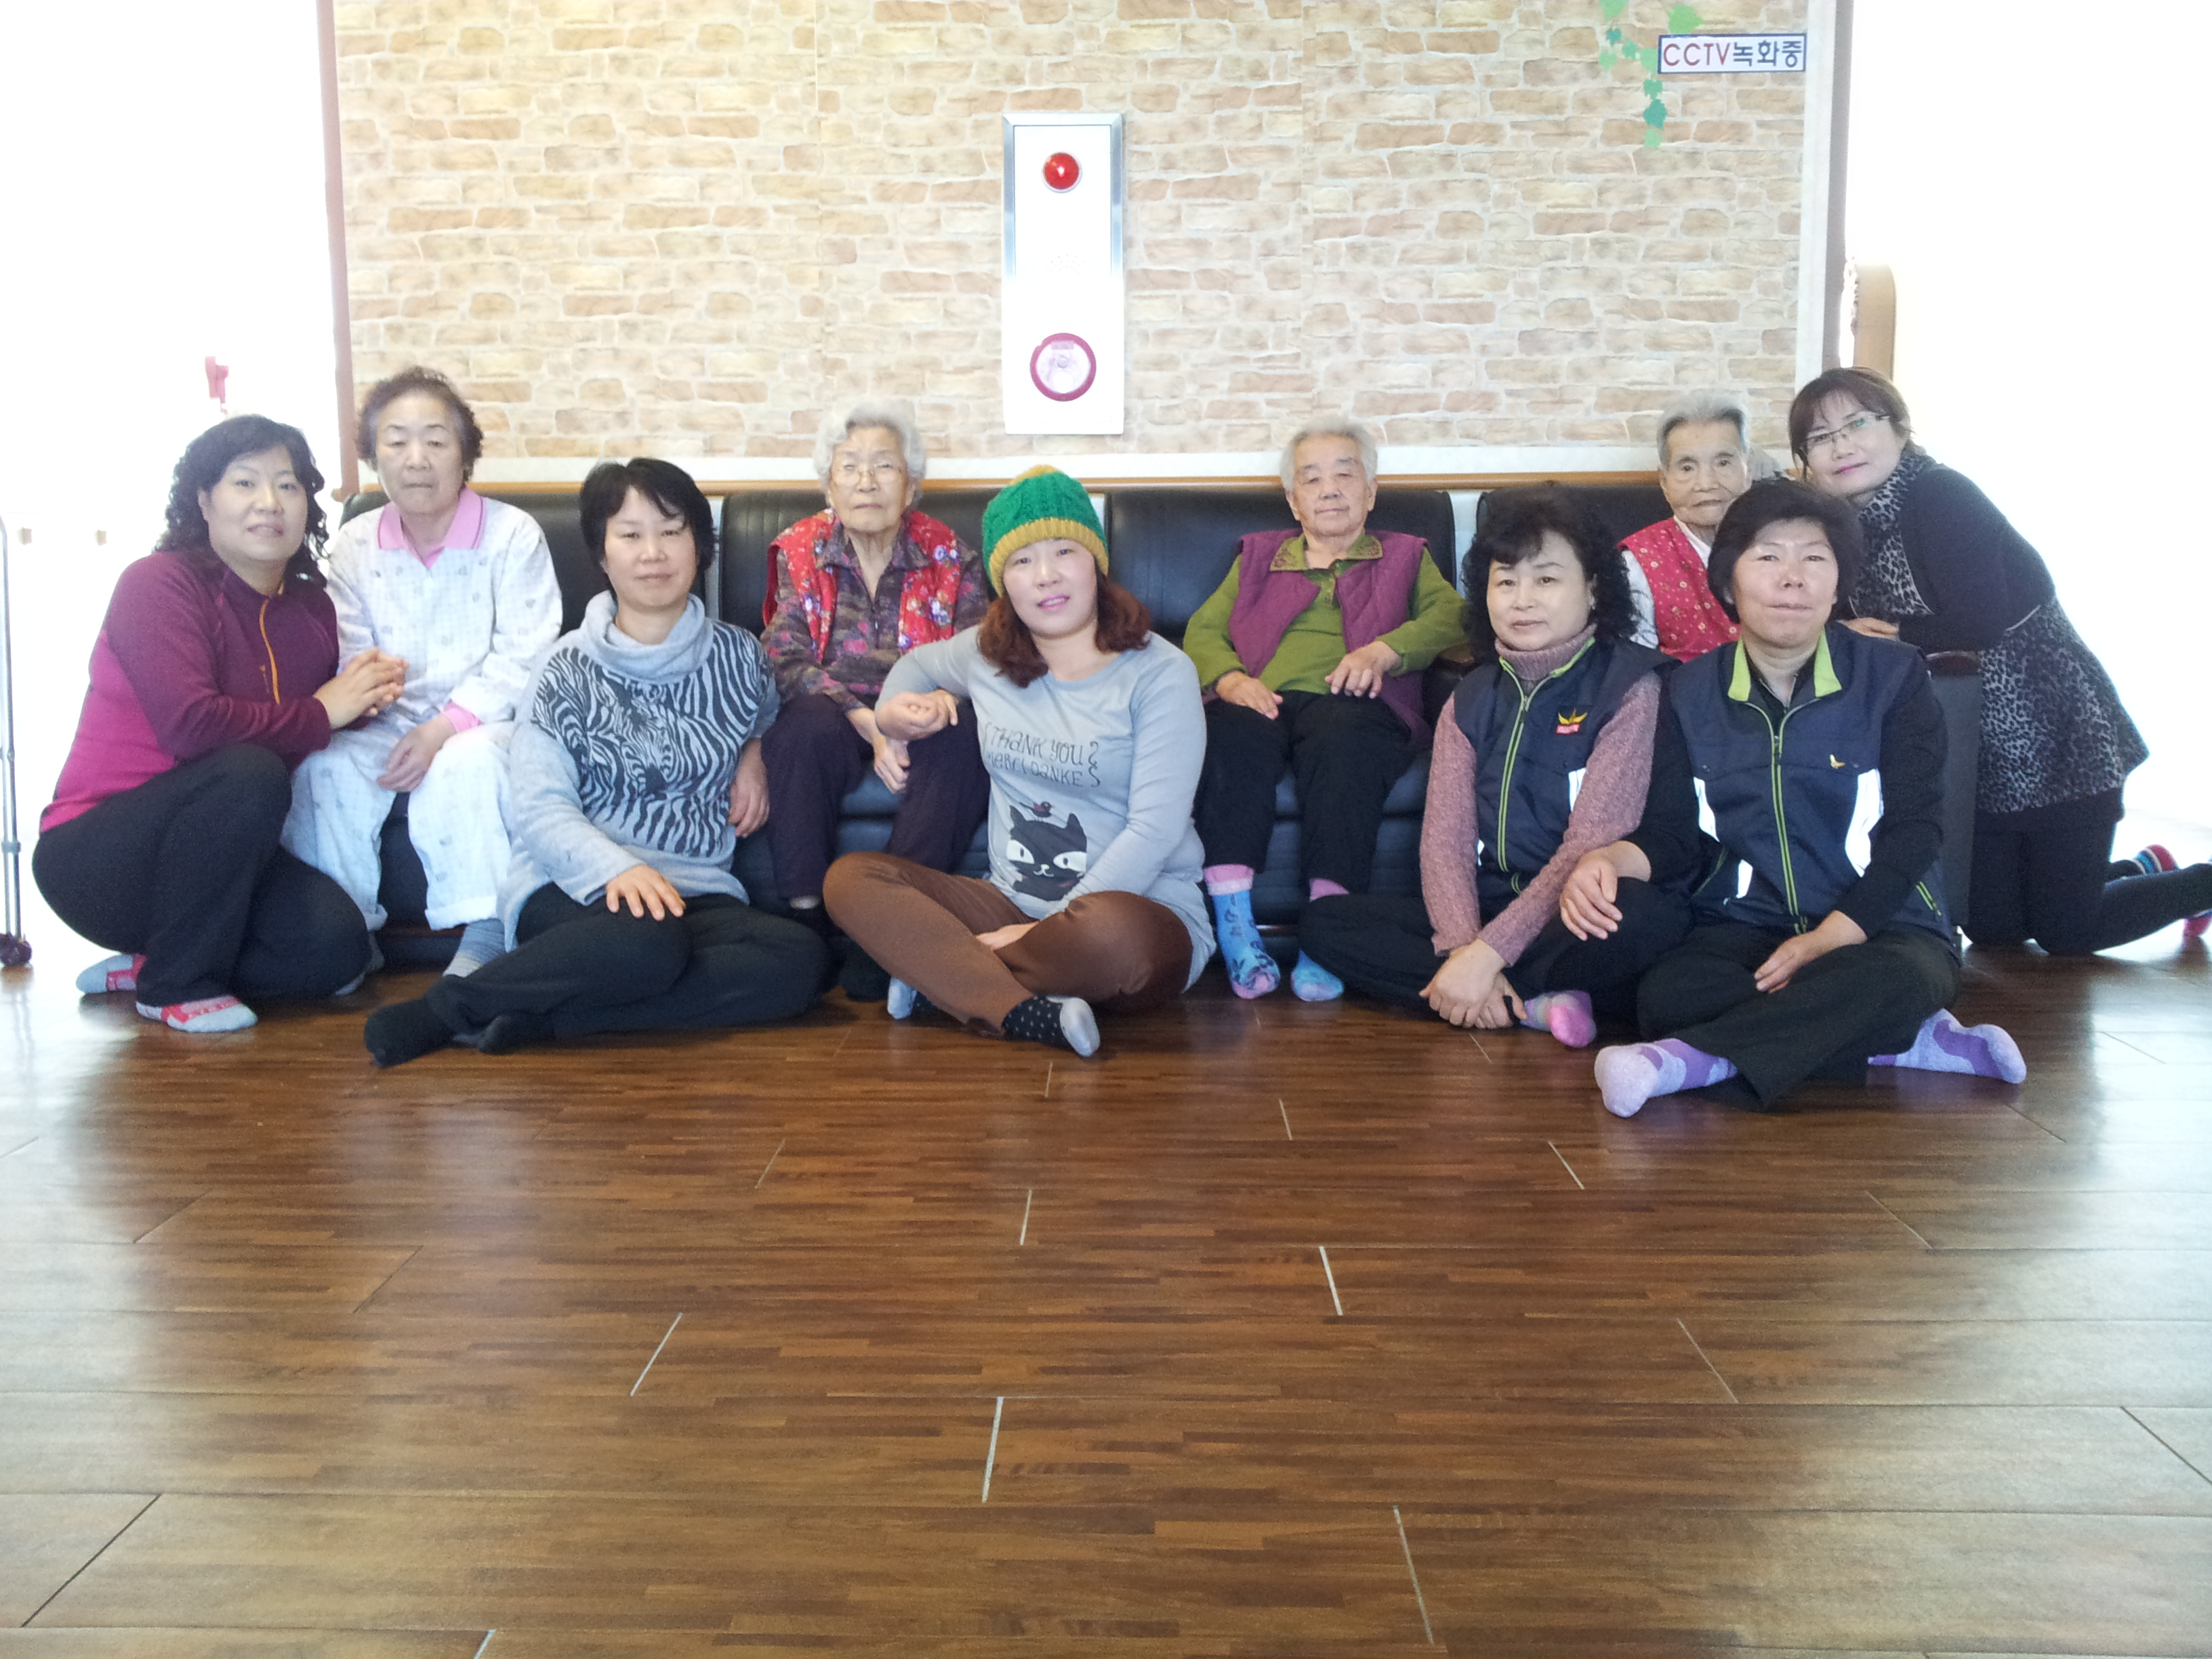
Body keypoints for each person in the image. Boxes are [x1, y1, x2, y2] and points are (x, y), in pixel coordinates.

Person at [363, 458, 827, 1066]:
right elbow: (541, 809)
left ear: (699, 546)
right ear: (603, 556)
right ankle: (450, 1008)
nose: (653, 553)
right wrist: (616, 871)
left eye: (671, 531)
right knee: (647, 944)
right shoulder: (564, 670)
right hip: (573, 888)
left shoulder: (739, 657)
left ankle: (550, 1022)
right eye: (630, 535)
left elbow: (765, 716)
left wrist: (754, 753)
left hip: (696, 891)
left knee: (802, 962)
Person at [1587, 480, 2026, 1118]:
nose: (1792, 577)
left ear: (1838, 581)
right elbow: (1674, 834)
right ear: (1729, 580)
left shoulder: (1895, 676)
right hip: (1744, 925)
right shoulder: (1688, 691)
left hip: (1882, 928)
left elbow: (1916, 830)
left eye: (1814, 558)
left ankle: (1688, 1062)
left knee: (1894, 980)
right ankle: (1902, 1042)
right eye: (1768, 557)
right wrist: (1607, 859)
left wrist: (1830, 937)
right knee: (1670, 996)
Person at [1793, 367, 2211, 952]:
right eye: (1820, 437)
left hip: (2053, 732)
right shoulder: (1841, 530)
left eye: (1857, 424)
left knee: (2068, 931)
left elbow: (1980, 620)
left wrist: (1884, 637)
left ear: (1900, 428)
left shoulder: (1941, 495)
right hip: (1971, 750)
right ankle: (2141, 870)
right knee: (1992, 926)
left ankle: (2199, 884)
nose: (1841, 446)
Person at [821, 466, 1212, 1056]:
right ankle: (1025, 1012)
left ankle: (948, 981)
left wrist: (1042, 929)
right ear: (1003, 581)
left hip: (1137, 907)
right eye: (1023, 560)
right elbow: (917, 667)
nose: (1046, 575)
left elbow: (1155, 829)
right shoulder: (987, 654)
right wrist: (892, 720)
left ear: (1096, 562)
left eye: (1064, 551)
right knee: (852, 880)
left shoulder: (1161, 673)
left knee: (1118, 943)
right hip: (1007, 900)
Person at [35, 416, 402, 1032]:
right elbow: (193, 728)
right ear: (204, 500)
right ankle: (174, 984)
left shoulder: (311, 606)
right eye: (245, 483)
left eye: (288, 485)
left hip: (224, 856)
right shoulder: (157, 583)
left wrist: (365, 704)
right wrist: (324, 711)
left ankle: (158, 958)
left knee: (339, 952)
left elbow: (303, 725)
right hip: (96, 856)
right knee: (247, 771)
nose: (270, 502)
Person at [1298, 488, 1685, 1044]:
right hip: (1492, 900)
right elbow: (1445, 841)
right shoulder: (1471, 696)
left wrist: (1488, 955)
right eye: (1506, 582)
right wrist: (1464, 945)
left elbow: (1591, 844)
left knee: (1639, 914)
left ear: (1594, 588)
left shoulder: (1630, 687)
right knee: (1323, 924)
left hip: (1572, 907)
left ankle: (1491, 989)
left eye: (1546, 580)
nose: (1522, 600)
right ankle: (1534, 1001)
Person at [281, 367, 562, 977]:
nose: (416, 459)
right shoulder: (354, 544)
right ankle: (346, 938)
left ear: (464, 454)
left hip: (486, 721)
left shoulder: (513, 535)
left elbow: (526, 654)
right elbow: (351, 649)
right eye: (397, 441)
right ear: (373, 455)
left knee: (467, 761)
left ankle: (486, 935)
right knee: (322, 769)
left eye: (435, 440)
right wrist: (374, 693)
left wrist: (441, 729)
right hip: (384, 720)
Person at [1181, 419, 1465, 1001]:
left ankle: (1328, 936)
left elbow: (1454, 617)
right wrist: (1231, 680)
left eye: (1344, 474)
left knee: (1346, 746)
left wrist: (1386, 650)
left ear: (1371, 491)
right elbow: (1203, 630)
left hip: (1356, 702)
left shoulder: (1406, 556)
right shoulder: (1258, 557)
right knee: (1231, 738)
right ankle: (1236, 928)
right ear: (1294, 500)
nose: (1329, 489)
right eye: (1311, 479)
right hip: (1262, 697)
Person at [758, 400, 991, 996]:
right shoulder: (800, 550)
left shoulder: (950, 554)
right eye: (850, 466)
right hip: (836, 709)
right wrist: (869, 721)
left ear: (910, 484)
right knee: (800, 730)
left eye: (884, 465)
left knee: (962, 734)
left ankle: (889, 928)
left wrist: (937, 699)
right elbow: (783, 657)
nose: (866, 481)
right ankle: (807, 918)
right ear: (828, 485)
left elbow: (978, 651)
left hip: (919, 706)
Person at [1620, 390, 1753, 661]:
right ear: (1664, 482)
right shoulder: (1636, 565)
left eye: (1723, 462)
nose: (1706, 484)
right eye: (1687, 468)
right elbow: (1632, 668)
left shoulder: (1778, 545)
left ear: (1747, 471)